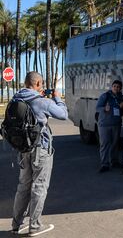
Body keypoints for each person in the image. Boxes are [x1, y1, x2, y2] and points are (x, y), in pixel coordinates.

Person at [10, 71, 68, 236]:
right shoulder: (42, 101)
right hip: (40, 148)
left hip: (22, 149)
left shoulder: (16, 98)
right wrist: (57, 98)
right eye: (41, 84)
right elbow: (63, 115)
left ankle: (16, 225)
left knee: (23, 186)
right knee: (39, 187)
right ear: (37, 84)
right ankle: (34, 226)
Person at [96, 80, 123, 173]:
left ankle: (114, 162)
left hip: (116, 124)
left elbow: (121, 109)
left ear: (120, 88)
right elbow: (97, 108)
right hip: (104, 125)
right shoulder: (105, 96)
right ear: (112, 87)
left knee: (115, 144)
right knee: (104, 145)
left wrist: (122, 107)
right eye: (115, 86)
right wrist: (104, 108)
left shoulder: (121, 97)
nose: (116, 88)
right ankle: (104, 164)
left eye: (118, 87)